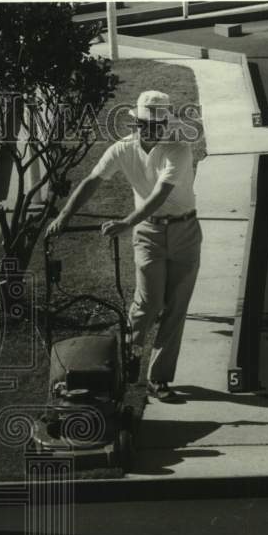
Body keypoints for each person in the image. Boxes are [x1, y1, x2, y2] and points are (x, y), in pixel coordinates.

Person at [46, 90, 201, 402]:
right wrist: (64, 215)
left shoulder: (179, 150)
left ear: (166, 125)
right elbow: (93, 180)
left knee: (176, 308)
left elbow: (159, 194)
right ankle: (129, 358)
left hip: (185, 231)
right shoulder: (122, 150)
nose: (151, 130)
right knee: (148, 304)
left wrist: (125, 222)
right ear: (136, 124)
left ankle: (158, 379)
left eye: (157, 124)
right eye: (145, 124)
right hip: (148, 234)